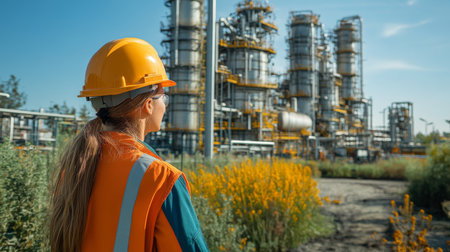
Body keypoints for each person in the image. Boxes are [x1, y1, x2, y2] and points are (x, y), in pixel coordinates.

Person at [49, 38, 208, 252]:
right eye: (164, 96)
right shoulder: (162, 179)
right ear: (148, 105)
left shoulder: (74, 166)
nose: (165, 105)